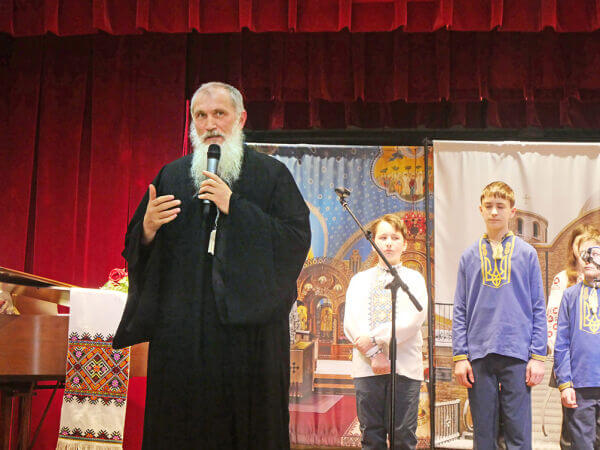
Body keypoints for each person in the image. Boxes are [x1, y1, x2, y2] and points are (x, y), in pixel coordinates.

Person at [113, 82, 311, 449]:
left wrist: (235, 206)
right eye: (200, 116)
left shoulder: (271, 175)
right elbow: (137, 249)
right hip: (182, 334)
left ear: (241, 119)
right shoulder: (171, 176)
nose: (209, 124)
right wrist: (147, 230)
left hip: (247, 338)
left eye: (219, 113)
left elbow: (294, 241)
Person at [452, 181, 547, 449]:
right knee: (483, 433)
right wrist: (460, 356)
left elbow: (538, 306)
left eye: (500, 206)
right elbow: (460, 309)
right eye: (489, 206)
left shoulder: (527, 254)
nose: (494, 211)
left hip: (517, 353)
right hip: (479, 353)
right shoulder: (468, 256)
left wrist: (537, 357)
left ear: (512, 211)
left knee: (518, 433)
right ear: (480, 210)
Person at [344, 214, 428, 449]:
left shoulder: (414, 279)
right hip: (366, 368)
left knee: (404, 436)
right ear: (373, 242)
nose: (389, 243)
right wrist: (374, 353)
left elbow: (413, 320)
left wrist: (374, 337)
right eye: (382, 238)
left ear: (405, 244)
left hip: (405, 368)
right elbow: (352, 322)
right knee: (371, 436)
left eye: (395, 237)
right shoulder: (359, 280)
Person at [547, 224, 600, 449]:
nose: (587, 258)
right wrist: (565, 380)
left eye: (593, 252)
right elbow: (559, 335)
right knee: (575, 439)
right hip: (578, 376)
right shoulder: (567, 287)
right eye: (583, 252)